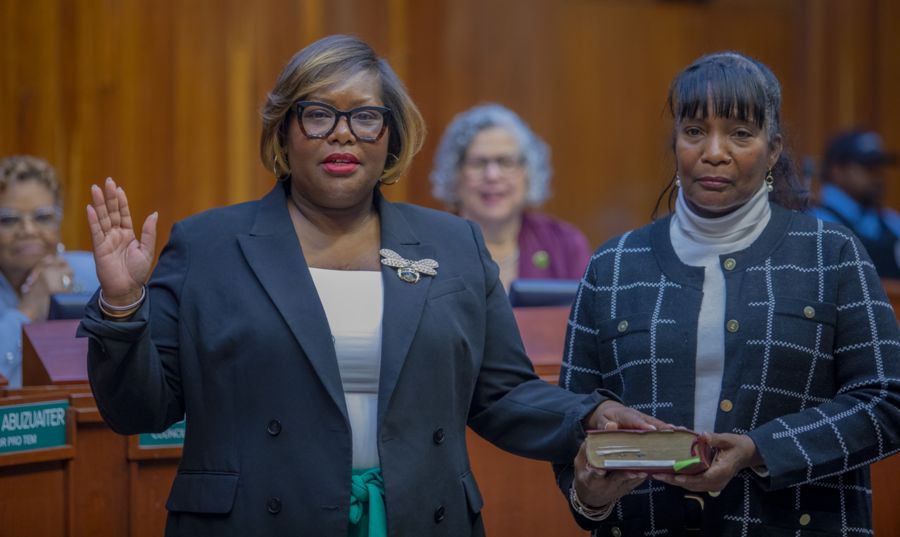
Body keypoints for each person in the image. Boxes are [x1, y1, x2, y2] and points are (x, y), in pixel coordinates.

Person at [77, 35, 660, 537]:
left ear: (390, 136)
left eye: (365, 117)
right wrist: (124, 305)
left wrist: (590, 416)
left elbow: (502, 394)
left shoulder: (453, 245)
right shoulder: (208, 246)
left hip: (419, 519)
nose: (342, 135)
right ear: (284, 133)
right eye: (318, 114)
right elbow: (139, 410)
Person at [556, 51, 900, 536]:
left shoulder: (832, 254)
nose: (714, 151)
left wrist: (760, 450)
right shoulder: (613, 265)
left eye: (741, 133)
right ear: (676, 142)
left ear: (774, 149)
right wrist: (588, 496)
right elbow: (570, 416)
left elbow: (887, 401)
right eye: (695, 131)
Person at [430, 104, 592, 289]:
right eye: (477, 163)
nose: (492, 175)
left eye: (506, 162)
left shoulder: (564, 244)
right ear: (454, 173)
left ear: (528, 171)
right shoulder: (432, 248)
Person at [0, 155, 98, 388]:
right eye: (9, 220)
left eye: (43, 217)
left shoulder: (95, 275)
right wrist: (28, 312)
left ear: (59, 220)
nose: (28, 230)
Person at [812, 130, 900, 278]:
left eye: (880, 167)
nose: (878, 176)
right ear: (837, 169)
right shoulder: (813, 221)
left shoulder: (890, 221)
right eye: (869, 167)